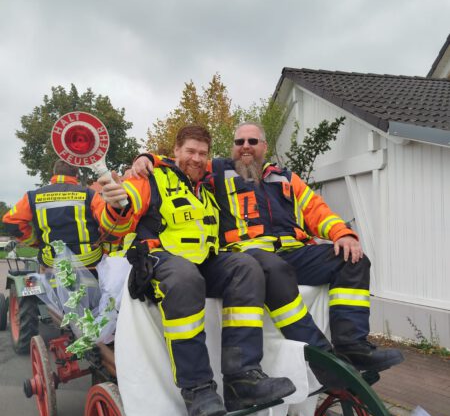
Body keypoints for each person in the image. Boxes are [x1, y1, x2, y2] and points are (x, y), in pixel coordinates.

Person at [132, 123, 403, 374]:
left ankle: (353, 347)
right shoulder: (216, 172)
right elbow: (183, 163)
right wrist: (146, 158)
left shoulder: (286, 178)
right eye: (239, 142)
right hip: (249, 255)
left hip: (294, 253)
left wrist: (342, 234)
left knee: (353, 260)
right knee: (273, 267)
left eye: (252, 141)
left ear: (264, 146)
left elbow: (316, 210)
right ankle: (320, 356)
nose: (245, 146)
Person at [99, 125, 295, 416]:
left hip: (203, 260)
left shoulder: (206, 186)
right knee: (185, 278)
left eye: (202, 153)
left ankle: (242, 378)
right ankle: (198, 390)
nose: (197, 158)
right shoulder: (150, 177)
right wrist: (115, 203)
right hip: (161, 260)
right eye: (190, 151)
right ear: (175, 151)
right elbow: (119, 216)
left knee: (246, 267)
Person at [3, 159, 109, 271]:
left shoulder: (33, 196)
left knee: (47, 280)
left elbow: (11, 221)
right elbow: (108, 222)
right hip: (89, 261)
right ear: (76, 175)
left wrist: (35, 242)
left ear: (54, 174)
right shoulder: (90, 194)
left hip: (52, 262)